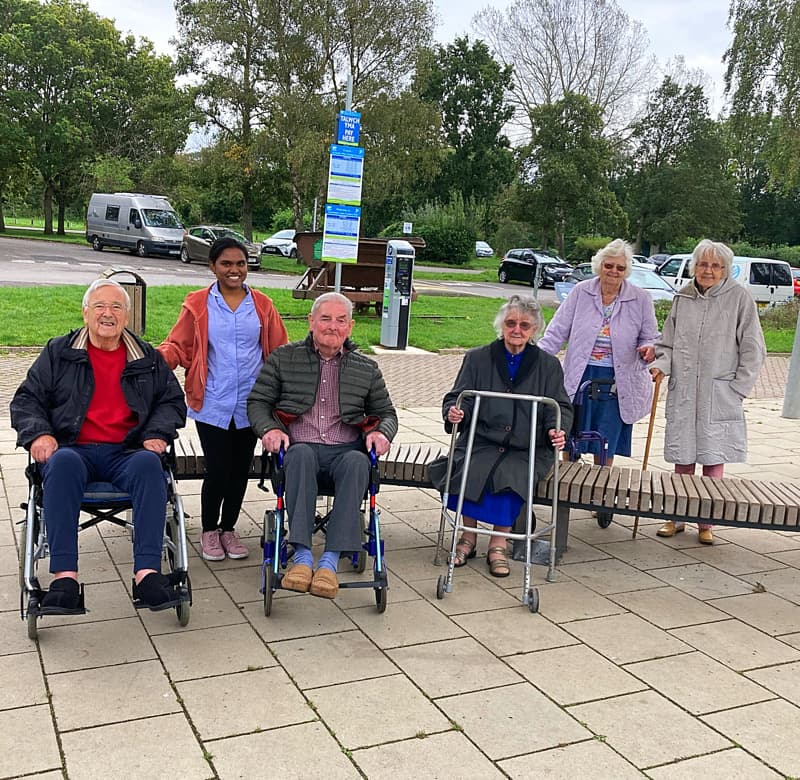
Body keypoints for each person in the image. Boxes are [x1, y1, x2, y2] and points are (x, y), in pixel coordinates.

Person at [10, 279, 186, 612]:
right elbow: (27, 399)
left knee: (151, 467)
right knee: (60, 465)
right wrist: (39, 435)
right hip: (72, 448)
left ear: (127, 316)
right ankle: (65, 577)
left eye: (117, 307)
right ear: (85, 312)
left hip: (127, 451)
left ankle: (147, 573)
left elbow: (172, 401)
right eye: (100, 307)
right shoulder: (59, 352)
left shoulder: (146, 357)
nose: (108, 314)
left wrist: (158, 433)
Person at [247, 292, 397, 599]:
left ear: (350, 327)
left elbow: (387, 413)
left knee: (359, 462)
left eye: (341, 320)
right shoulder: (284, 358)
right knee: (300, 455)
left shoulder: (366, 368)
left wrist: (382, 433)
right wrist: (269, 429)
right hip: (300, 448)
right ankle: (302, 556)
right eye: (325, 318)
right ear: (311, 322)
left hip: (345, 452)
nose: (333, 326)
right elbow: (258, 402)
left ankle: (328, 562)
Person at [159, 236, 288, 562]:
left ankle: (229, 529)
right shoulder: (198, 305)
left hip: (253, 405)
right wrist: (156, 359)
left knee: (240, 469)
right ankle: (208, 531)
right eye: (226, 264)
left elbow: (279, 351)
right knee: (217, 470)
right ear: (213, 266)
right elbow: (179, 345)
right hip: (212, 402)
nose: (234, 270)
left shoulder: (262, 305)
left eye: (240, 264)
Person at [428, 295, 572, 576]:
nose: (517, 330)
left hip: (526, 446)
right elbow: (459, 396)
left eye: (525, 325)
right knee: (468, 466)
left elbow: (560, 406)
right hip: (482, 440)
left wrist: (556, 429)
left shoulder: (548, 365)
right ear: (501, 325)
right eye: (511, 323)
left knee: (511, 475)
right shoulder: (478, 358)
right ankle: (467, 538)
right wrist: (456, 412)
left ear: (534, 331)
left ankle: (498, 544)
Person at [650, 239, 766, 545]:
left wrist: (738, 388)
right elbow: (667, 342)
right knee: (682, 455)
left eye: (715, 266)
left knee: (713, 457)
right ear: (694, 267)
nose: (708, 270)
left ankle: (706, 521)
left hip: (720, 389)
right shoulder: (683, 297)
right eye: (703, 264)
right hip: (685, 387)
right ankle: (676, 516)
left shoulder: (739, 298)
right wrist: (661, 364)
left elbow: (754, 348)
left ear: (726, 270)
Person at [538, 238, 659, 470]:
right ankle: (569, 486)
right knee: (570, 435)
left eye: (620, 267)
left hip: (618, 380)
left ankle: (601, 492)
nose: (614, 271)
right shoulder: (580, 292)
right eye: (609, 265)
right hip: (580, 374)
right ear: (599, 266)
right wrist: (536, 360)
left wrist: (650, 349)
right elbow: (556, 331)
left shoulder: (641, 298)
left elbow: (651, 336)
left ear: (627, 271)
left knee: (606, 438)